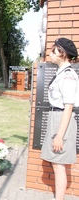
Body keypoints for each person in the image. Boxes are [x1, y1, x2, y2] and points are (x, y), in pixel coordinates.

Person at [40, 37, 78, 200]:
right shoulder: (61, 73)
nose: (50, 53)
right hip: (57, 117)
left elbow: (68, 107)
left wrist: (60, 136)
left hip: (62, 119)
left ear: (63, 54)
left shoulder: (67, 76)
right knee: (57, 164)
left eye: (54, 51)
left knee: (59, 165)